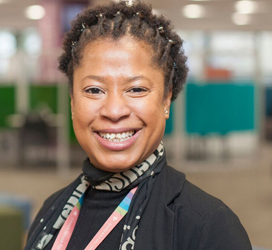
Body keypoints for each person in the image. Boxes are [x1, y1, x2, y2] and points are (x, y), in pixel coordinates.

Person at [25, 2, 251, 250]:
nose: (113, 111)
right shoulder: (52, 210)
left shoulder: (207, 227)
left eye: (136, 89)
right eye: (94, 90)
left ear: (166, 99)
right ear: (72, 102)